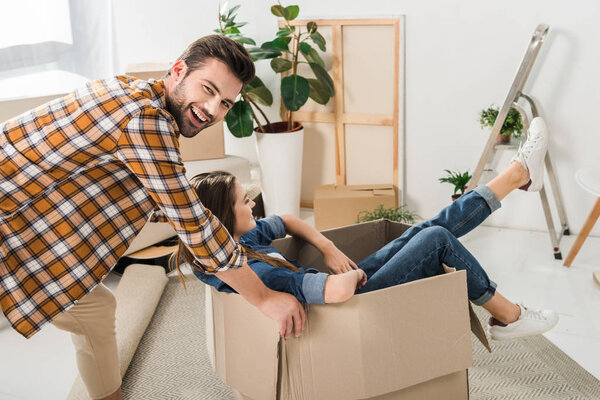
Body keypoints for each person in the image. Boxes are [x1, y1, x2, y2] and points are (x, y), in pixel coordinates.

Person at [0, 35, 305, 400]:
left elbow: (142, 188)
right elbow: (193, 224)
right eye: (207, 89)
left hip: (18, 215)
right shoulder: (146, 120)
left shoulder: (132, 91)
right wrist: (263, 297)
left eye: (224, 103)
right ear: (178, 71)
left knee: (96, 307)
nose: (211, 109)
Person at [172, 117, 559, 342]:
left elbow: (288, 219)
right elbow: (333, 293)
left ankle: (517, 175)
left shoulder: (236, 243)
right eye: (244, 202)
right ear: (223, 217)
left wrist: (328, 248)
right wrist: (353, 275)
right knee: (434, 239)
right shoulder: (258, 272)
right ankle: (508, 315)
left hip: (345, 285)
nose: (253, 204)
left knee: (421, 231)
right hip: (351, 305)